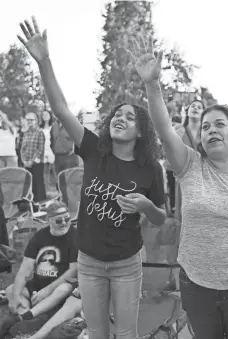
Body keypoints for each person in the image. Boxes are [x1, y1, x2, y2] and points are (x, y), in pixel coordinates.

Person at [18, 17, 167, 339]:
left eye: (130, 117)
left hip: (127, 264)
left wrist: (145, 206)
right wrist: (44, 61)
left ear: (141, 131)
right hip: (88, 262)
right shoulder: (93, 150)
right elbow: (61, 110)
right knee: (97, 331)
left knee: (126, 333)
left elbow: (160, 217)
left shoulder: (149, 168)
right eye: (117, 114)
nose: (120, 118)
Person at [128, 34, 228, 339]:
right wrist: (152, 84)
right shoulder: (190, 165)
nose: (211, 129)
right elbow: (163, 130)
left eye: (220, 124)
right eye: (206, 126)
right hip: (197, 288)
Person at [1, 201, 78, 337]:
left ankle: (28, 316)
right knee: (10, 290)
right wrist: (16, 295)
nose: (64, 223)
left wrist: (47, 291)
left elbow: (73, 270)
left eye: (67, 219)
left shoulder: (74, 236)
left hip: (58, 287)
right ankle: (31, 318)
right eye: (59, 220)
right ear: (48, 220)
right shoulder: (40, 236)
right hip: (37, 286)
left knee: (64, 288)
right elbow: (25, 269)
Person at [20, 112, 47, 201]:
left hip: (37, 164)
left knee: (38, 185)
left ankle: (41, 205)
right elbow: (22, 149)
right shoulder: (26, 133)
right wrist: (24, 160)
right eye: (28, 120)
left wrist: (32, 161)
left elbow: (40, 149)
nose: (29, 121)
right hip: (26, 164)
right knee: (29, 185)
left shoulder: (40, 132)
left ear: (36, 121)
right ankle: (31, 206)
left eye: (32, 120)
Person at [41, 111, 56, 190]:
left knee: (55, 171)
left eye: (47, 114)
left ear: (50, 116)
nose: (45, 116)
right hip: (43, 151)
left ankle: (59, 191)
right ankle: (46, 191)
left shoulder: (53, 126)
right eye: (43, 114)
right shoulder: (40, 127)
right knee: (45, 172)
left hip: (52, 151)